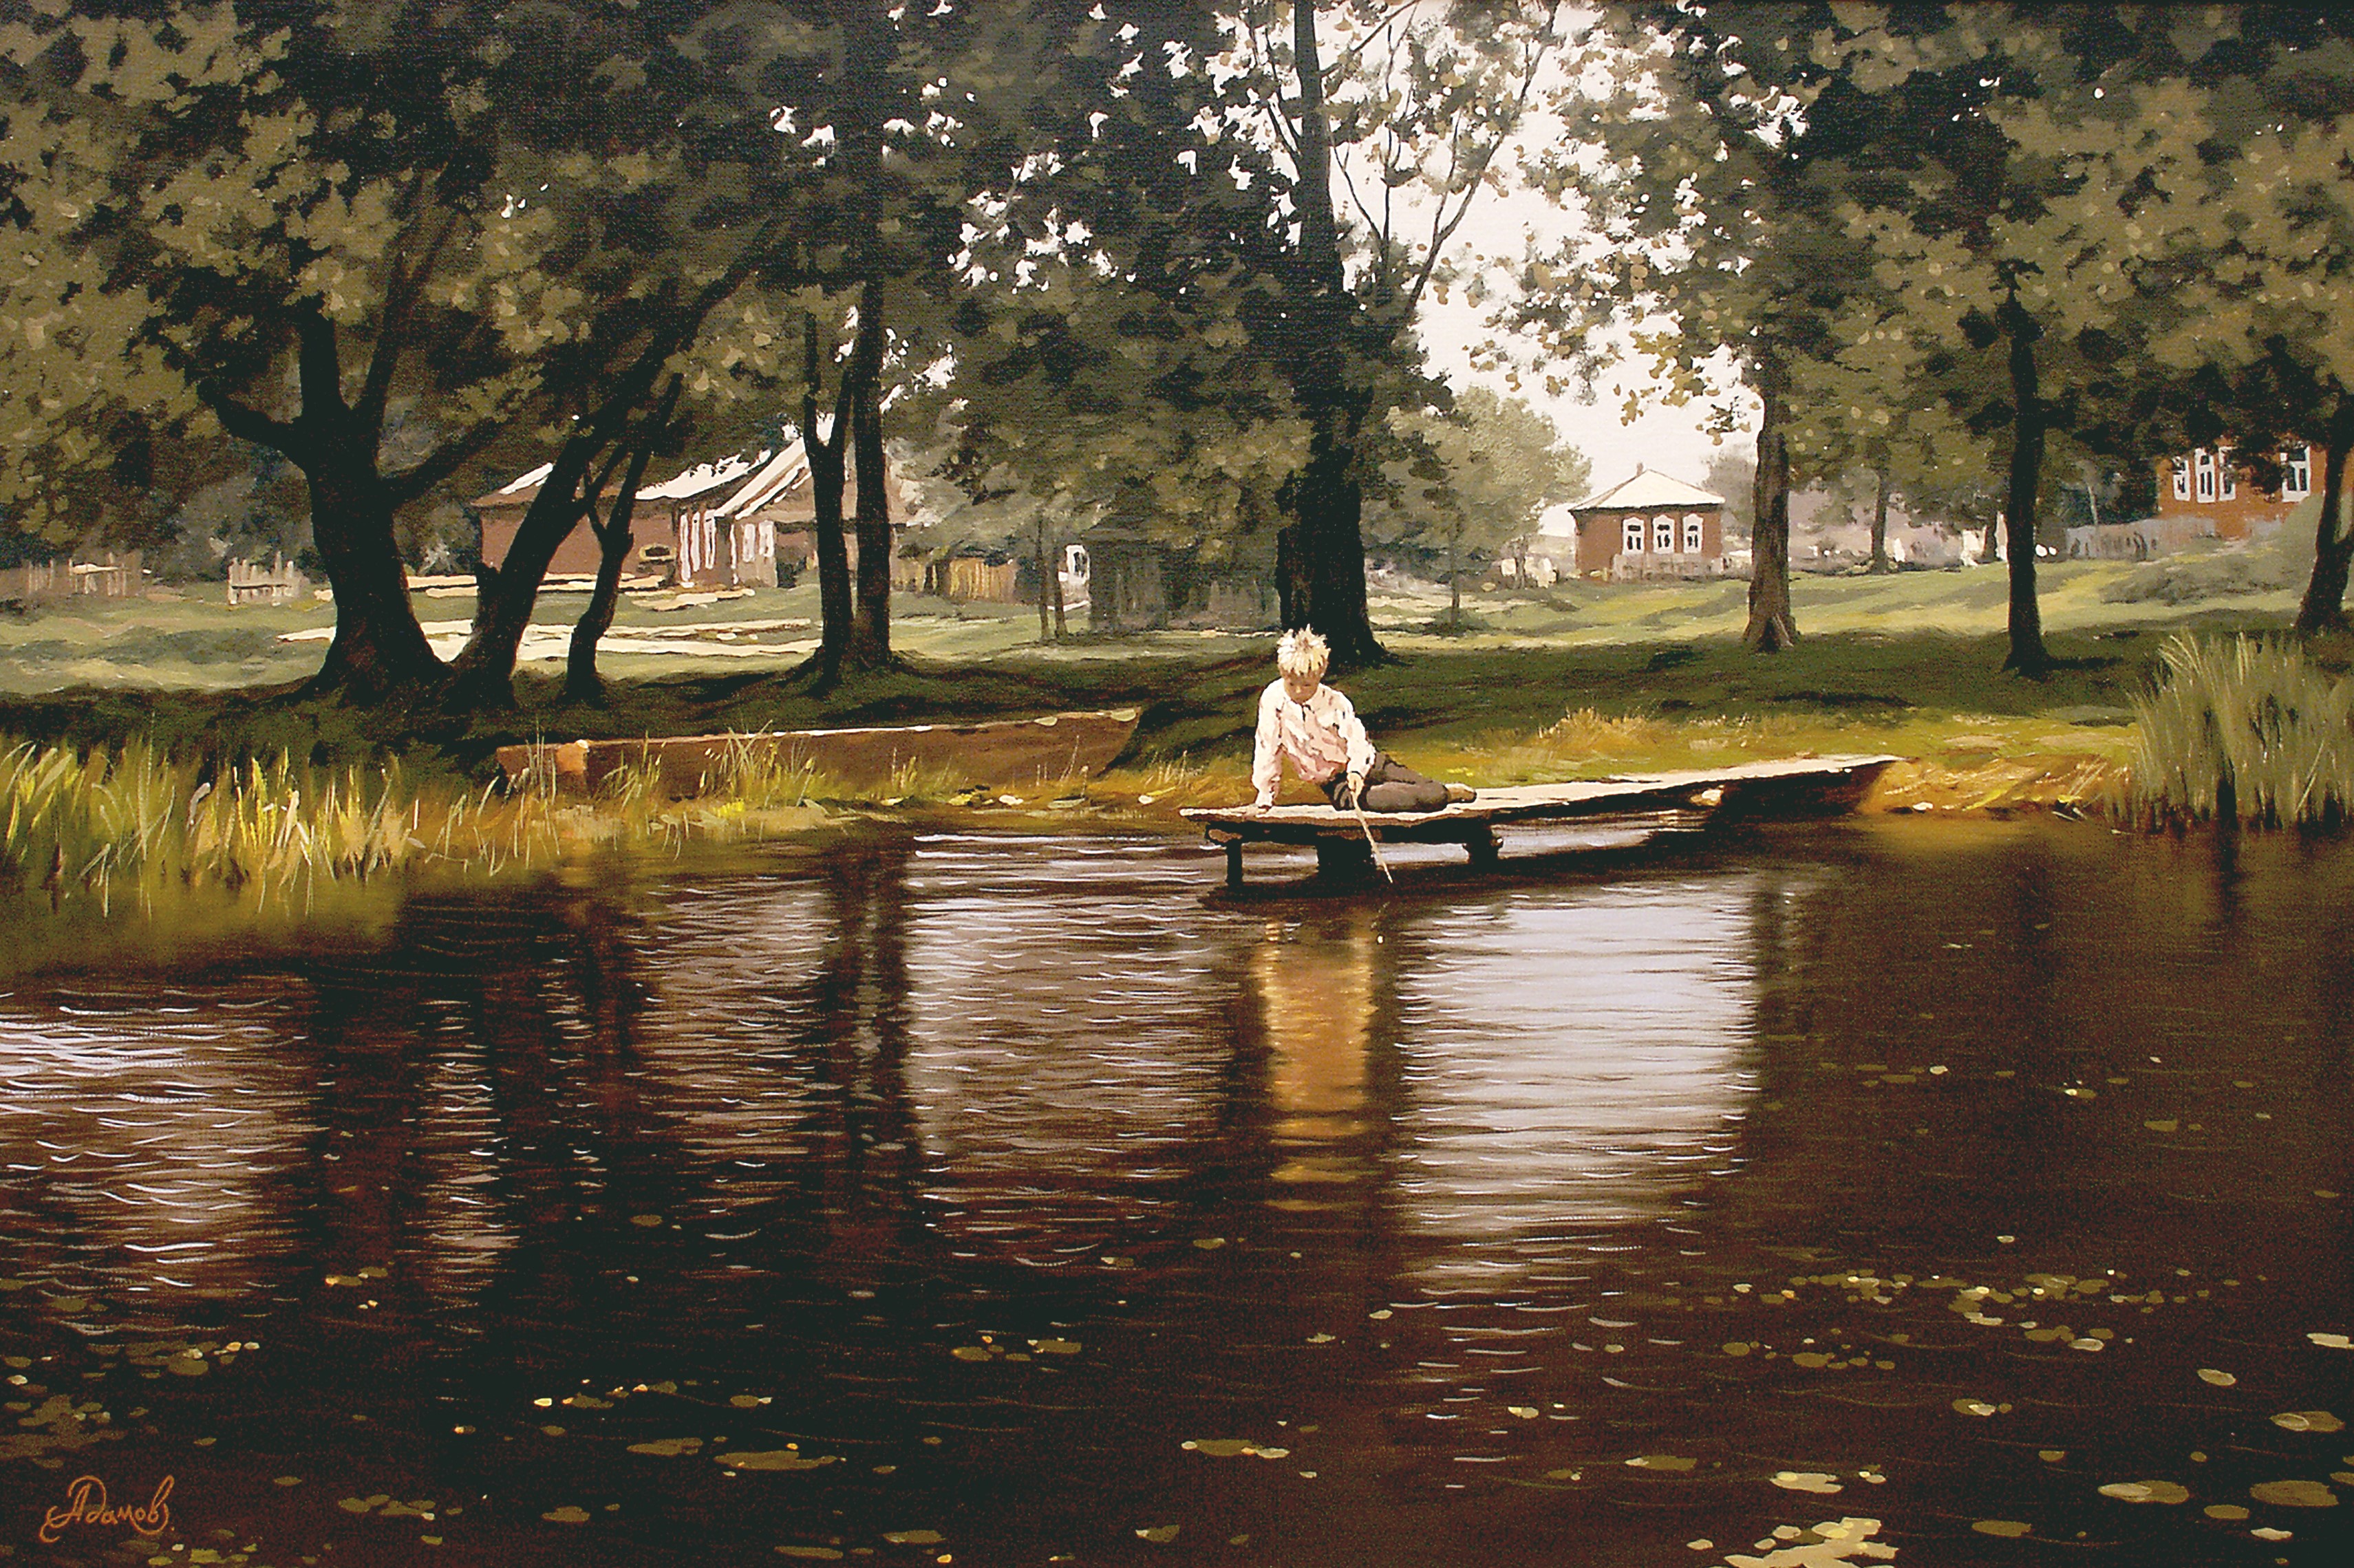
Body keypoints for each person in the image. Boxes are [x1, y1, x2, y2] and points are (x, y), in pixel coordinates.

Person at [1249, 627, 1475, 814]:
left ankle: (1444, 792)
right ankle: (1441, 794)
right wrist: (1265, 796)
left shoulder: (1335, 702)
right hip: (1337, 783)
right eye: (1291, 684)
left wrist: (1356, 771)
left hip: (1369, 764)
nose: (1298, 691)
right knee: (1420, 799)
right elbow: (1267, 748)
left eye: (1307, 685)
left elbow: (1357, 741)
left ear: (1320, 675)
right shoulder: (1273, 699)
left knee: (1428, 789)